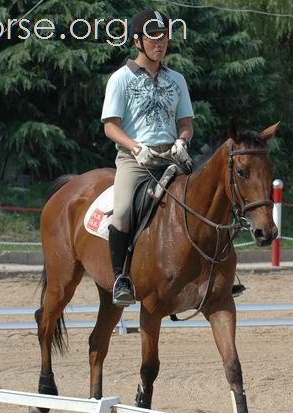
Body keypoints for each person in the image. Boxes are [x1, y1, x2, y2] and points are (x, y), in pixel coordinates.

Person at [100, 9, 194, 306]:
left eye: (164, 36)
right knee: (124, 209)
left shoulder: (176, 79)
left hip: (171, 156)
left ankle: (218, 274)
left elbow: (186, 124)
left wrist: (182, 141)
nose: (160, 42)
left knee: (210, 197)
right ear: (137, 41)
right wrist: (136, 147)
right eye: (153, 36)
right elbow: (110, 126)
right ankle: (120, 279)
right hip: (135, 160)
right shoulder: (120, 79)